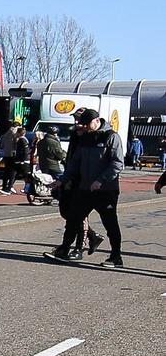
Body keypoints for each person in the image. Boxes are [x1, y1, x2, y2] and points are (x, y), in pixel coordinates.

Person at [50, 108, 125, 268]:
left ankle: (116, 256)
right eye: (82, 124)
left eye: (87, 124)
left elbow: (117, 163)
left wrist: (101, 180)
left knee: (110, 223)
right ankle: (64, 250)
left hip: (106, 190)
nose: (84, 127)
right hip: (84, 188)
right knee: (73, 219)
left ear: (97, 120)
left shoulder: (111, 137)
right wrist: (62, 180)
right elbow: (75, 163)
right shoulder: (85, 139)